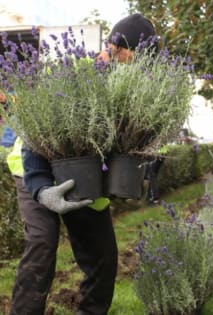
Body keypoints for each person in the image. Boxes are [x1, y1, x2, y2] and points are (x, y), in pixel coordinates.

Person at [9, 13, 157, 315]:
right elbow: (35, 132)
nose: (144, 67)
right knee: (42, 244)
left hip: (85, 176)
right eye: (140, 57)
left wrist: (135, 176)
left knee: (103, 258)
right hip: (34, 170)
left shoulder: (138, 92)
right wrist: (41, 189)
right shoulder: (75, 73)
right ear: (118, 48)